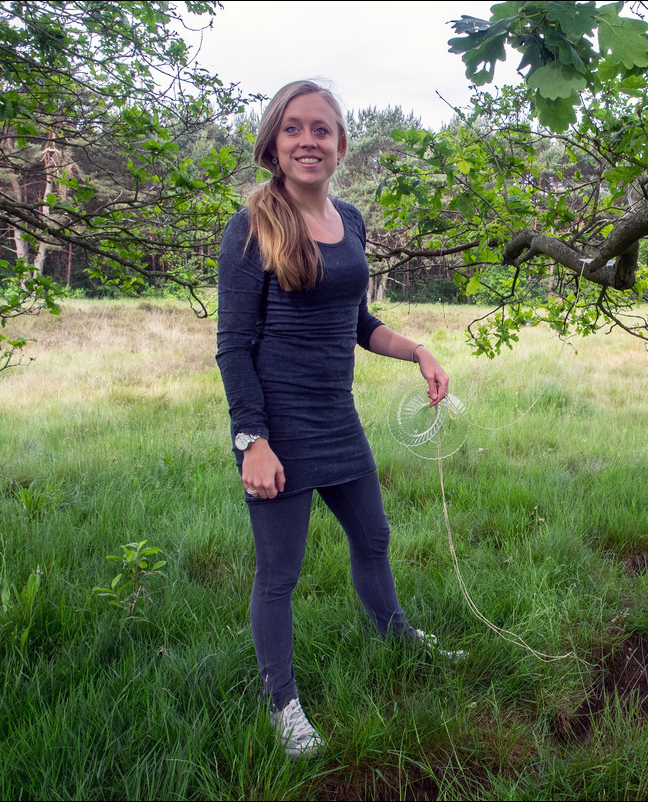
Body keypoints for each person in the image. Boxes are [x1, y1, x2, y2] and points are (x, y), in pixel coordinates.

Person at [215, 79, 461, 760]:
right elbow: (233, 346)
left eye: (321, 129)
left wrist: (416, 350)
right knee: (280, 574)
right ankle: (284, 705)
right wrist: (252, 441)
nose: (307, 141)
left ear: (341, 143)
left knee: (374, 538)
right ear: (273, 142)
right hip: (276, 428)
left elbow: (355, 321)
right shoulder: (251, 226)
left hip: (337, 419)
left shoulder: (349, 220)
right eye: (293, 129)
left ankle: (394, 633)